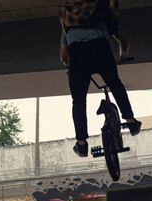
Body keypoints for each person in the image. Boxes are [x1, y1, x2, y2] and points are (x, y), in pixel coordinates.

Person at [58, 0, 142, 157]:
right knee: (115, 84)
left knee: (79, 100)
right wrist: (122, 57)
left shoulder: (68, 25)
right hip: (100, 49)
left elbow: (63, 56)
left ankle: (82, 144)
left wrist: (71, 67)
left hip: (77, 55)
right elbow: (124, 41)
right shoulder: (103, 16)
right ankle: (131, 122)